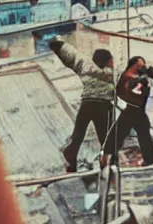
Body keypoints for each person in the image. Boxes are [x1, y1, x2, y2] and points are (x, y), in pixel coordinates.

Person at [49, 36, 115, 172]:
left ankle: (70, 160)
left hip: (87, 104)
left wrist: (58, 45)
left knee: (78, 135)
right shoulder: (113, 72)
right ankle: (108, 163)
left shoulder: (85, 64)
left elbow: (71, 55)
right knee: (105, 138)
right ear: (108, 60)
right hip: (103, 106)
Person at [103, 56, 153, 167]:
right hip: (132, 109)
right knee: (121, 133)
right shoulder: (127, 77)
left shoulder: (141, 77)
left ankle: (149, 160)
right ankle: (108, 155)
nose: (142, 67)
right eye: (140, 65)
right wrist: (139, 82)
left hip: (138, 110)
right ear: (134, 65)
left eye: (143, 65)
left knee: (141, 135)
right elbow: (126, 90)